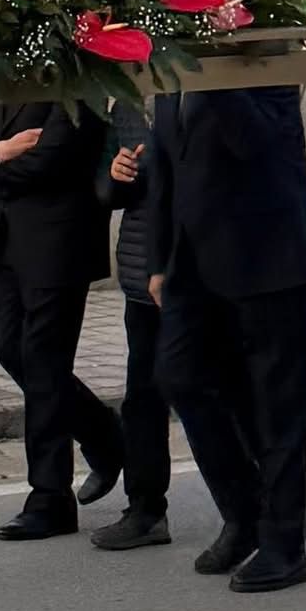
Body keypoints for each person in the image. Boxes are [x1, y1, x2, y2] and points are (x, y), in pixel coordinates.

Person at [147, 86, 306, 592]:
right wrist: (160, 260)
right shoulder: (174, 56)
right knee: (181, 378)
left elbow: (257, 140)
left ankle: (285, 546)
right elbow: (166, 163)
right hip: (193, 262)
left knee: (278, 404)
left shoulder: (263, 54)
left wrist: (214, 64)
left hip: (267, 255)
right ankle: (244, 512)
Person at [0, 99, 125, 541]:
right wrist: (1, 152)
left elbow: (53, 161)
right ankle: (105, 434)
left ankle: (50, 498)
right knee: (10, 348)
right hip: (5, 236)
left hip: (59, 239)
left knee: (44, 364)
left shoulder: (73, 78)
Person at [87, 100, 172, 551]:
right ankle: (144, 510)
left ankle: (284, 493)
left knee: (220, 393)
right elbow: (104, 190)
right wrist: (117, 176)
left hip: (199, 269)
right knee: (143, 398)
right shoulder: (123, 106)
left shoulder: (198, 95)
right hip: (143, 277)